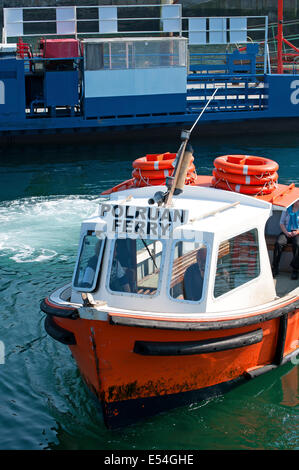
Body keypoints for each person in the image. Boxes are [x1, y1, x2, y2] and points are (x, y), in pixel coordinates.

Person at [272, 199, 299, 280]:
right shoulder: (286, 209)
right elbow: (281, 223)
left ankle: (295, 269)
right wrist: (286, 232)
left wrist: (296, 232)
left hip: (297, 232)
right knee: (278, 243)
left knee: (297, 245)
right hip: (286, 231)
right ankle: (275, 268)